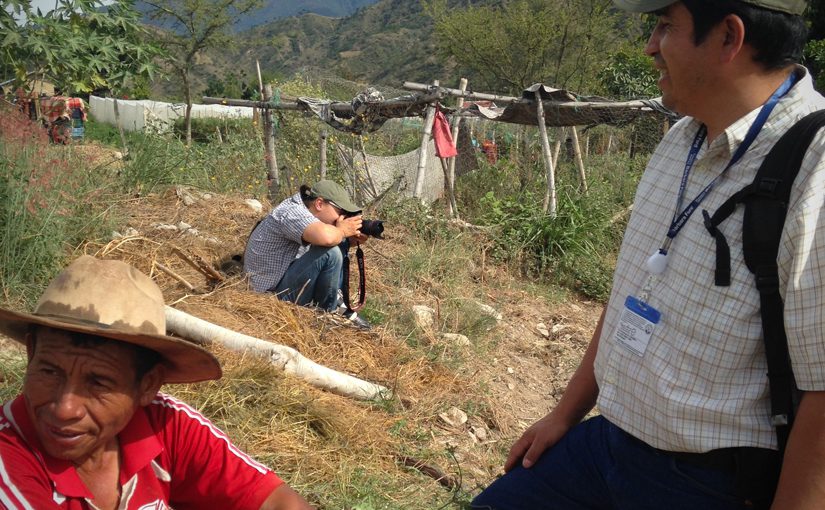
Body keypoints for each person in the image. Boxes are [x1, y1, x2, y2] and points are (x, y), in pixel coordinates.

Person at [472, 0, 825, 508]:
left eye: (665, 27)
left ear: (729, 37)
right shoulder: (681, 139)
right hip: (607, 442)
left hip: (708, 481)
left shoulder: (812, 163)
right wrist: (564, 415)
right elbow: (630, 294)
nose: (650, 47)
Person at [0, 255, 314, 510]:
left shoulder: (165, 425)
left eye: (98, 383)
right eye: (49, 371)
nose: (65, 408)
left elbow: (279, 502)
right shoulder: (9, 463)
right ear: (31, 353)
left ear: (148, 386)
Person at [243, 180, 370, 329]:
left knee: (338, 243)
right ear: (319, 204)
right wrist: (342, 231)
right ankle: (329, 313)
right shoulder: (292, 212)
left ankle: (332, 303)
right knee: (330, 251)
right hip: (269, 298)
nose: (341, 218)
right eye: (341, 212)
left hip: (282, 285)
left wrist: (350, 240)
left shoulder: (308, 213)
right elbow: (327, 238)